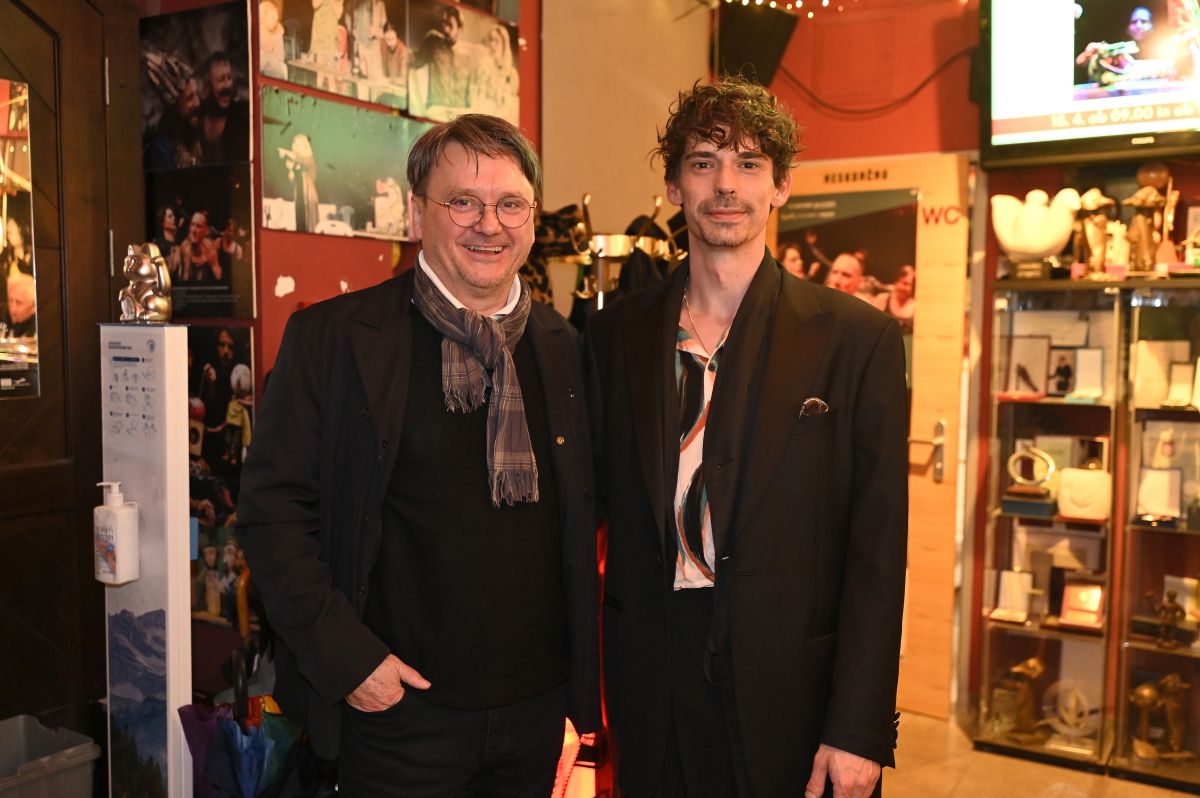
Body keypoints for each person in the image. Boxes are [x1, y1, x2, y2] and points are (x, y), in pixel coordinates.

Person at [238, 113, 600, 795]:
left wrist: (574, 702)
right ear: (415, 213)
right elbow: (272, 514)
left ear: (531, 219)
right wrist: (349, 662)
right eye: (462, 201)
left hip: (533, 717)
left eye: (511, 204)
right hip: (395, 719)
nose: (488, 225)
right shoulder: (334, 340)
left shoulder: (565, 349)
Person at [586, 77, 907, 798]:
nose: (725, 184)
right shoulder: (613, 336)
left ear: (780, 186)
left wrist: (859, 728)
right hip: (650, 690)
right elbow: (586, 515)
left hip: (794, 696)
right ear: (674, 186)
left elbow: (877, 555)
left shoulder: (857, 341)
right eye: (703, 162)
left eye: (749, 163)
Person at [199, 51, 249, 164]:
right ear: (207, 86)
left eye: (229, 78)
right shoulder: (198, 118)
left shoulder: (241, 119)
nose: (227, 85)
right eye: (221, 80)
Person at [872, 264, 915, 335]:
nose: (902, 287)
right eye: (900, 282)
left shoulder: (916, 306)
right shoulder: (882, 299)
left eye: (907, 284)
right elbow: (871, 323)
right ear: (896, 282)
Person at [4, 271, 36, 338]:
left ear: (33, 306)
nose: (13, 309)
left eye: (19, 303)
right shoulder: (4, 319)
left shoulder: (39, 332)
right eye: (10, 300)